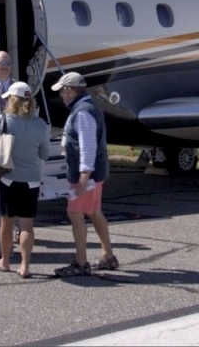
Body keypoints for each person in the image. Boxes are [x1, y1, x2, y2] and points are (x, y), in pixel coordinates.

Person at [51, 72, 118, 277]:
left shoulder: (82, 112)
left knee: (75, 213)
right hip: (94, 173)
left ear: (70, 90)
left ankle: (81, 262)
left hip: (86, 175)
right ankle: (108, 256)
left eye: (63, 91)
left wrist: (83, 177)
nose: (61, 95)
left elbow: (87, 146)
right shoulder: (89, 105)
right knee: (94, 211)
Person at [0, 81, 50, 279]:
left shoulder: (2, 120)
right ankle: (25, 265)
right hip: (32, 181)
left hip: (8, 178)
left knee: (6, 222)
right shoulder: (40, 124)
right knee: (27, 225)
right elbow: (45, 154)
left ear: (12, 100)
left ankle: (4, 261)